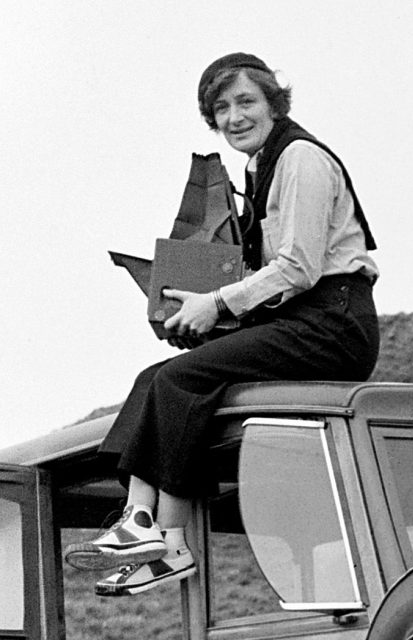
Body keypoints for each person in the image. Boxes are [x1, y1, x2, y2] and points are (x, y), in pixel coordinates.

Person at [65, 52, 380, 597]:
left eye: (245, 102)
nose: (233, 117)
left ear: (272, 104)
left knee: (180, 379)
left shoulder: (300, 157)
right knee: (157, 377)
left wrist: (215, 303)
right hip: (302, 317)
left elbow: (299, 268)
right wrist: (194, 301)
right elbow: (268, 271)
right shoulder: (259, 167)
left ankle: (164, 536)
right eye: (220, 108)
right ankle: (146, 526)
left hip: (334, 321)